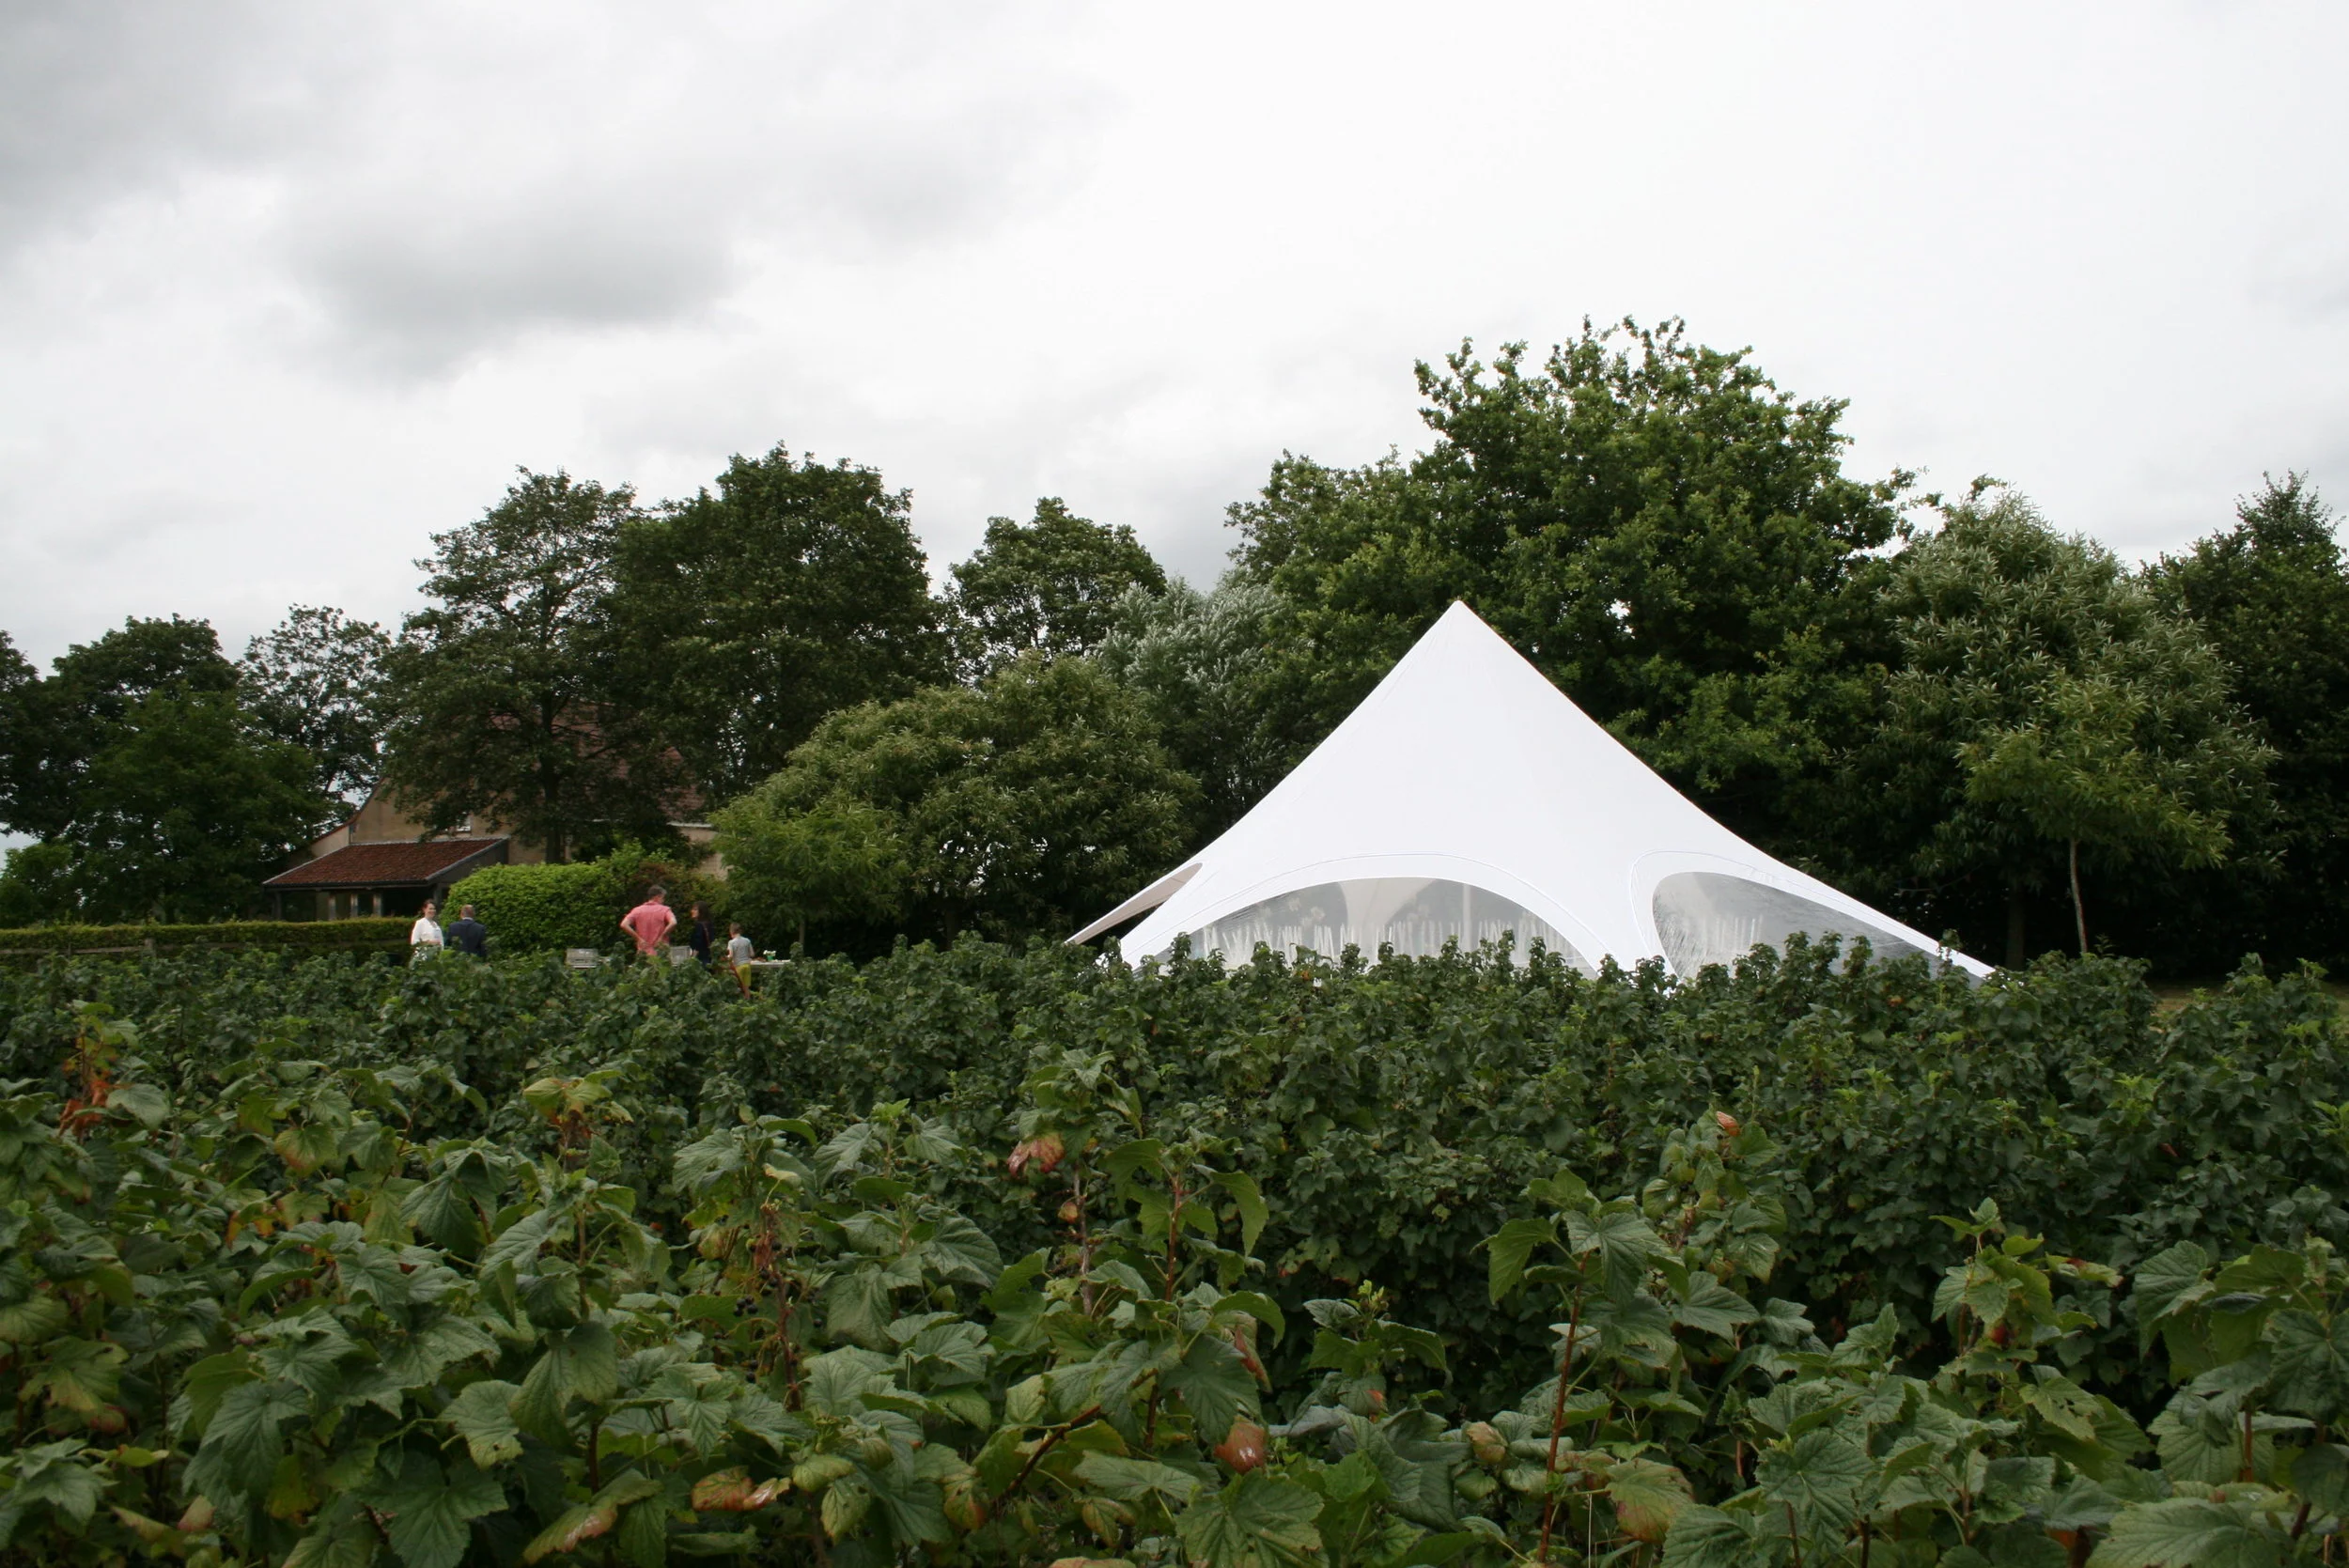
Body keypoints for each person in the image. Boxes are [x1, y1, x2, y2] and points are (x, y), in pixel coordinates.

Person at [619, 885, 677, 958]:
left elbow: (624, 924)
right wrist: (662, 937)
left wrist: (638, 939)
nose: (663, 900)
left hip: (643, 953)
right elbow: (673, 922)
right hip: (660, 952)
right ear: (657, 896)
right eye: (663, 898)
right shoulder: (665, 910)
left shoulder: (637, 910)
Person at [685, 901, 714, 965]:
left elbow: (697, 945)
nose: (692, 911)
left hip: (701, 959)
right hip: (709, 958)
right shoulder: (709, 924)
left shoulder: (699, 925)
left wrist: (692, 959)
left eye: (695, 909)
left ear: (701, 911)